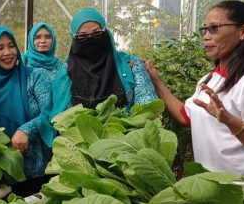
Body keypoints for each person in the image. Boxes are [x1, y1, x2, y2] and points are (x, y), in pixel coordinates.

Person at [145, 0, 244, 204]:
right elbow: (185, 116)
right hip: (213, 191)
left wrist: (228, 119)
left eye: (215, 28)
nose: (206, 36)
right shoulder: (209, 79)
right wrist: (156, 82)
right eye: (204, 29)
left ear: (243, 31)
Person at [41, 8, 157, 145]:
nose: (91, 41)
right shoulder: (66, 74)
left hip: (127, 147)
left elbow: (147, 107)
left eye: (97, 34)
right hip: (82, 150)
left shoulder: (131, 65)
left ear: (106, 33)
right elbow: (61, 121)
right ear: (74, 38)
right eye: (82, 37)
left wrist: (121, 138)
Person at [0, 26, 52, 193]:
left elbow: (50, 112)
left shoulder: (35, 76)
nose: (8, 52)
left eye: (11, 46)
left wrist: (27, 130)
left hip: (38, 170)